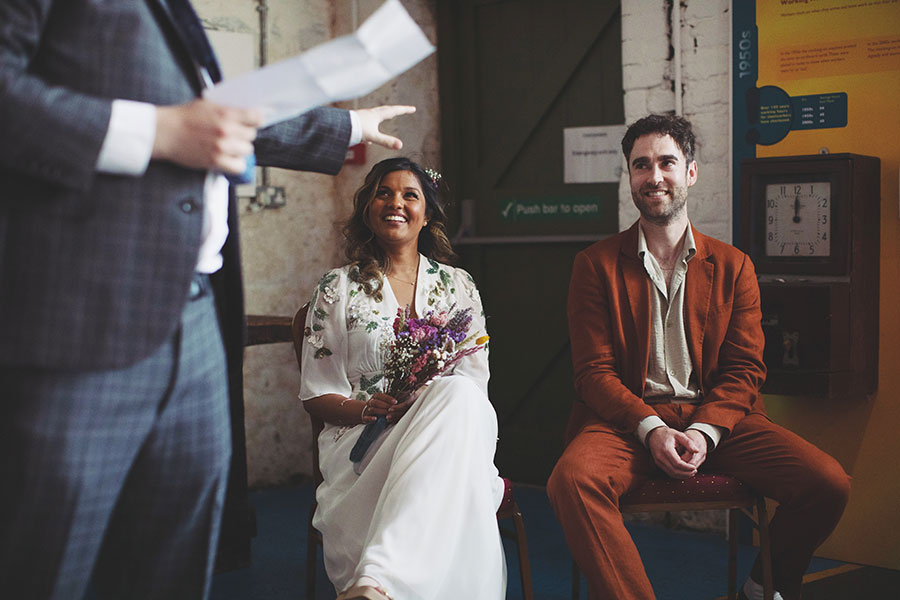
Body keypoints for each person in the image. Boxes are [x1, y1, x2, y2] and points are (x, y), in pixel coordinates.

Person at [0, 2, 416, 598]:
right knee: (47, 559)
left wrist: (347, 127)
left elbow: (213, 113)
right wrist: (157, 134)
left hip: (195, 318)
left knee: (174, 558)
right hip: (80, 313)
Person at [547, 114, 851, 600]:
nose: (654, 176)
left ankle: (764, 585)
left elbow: (746, 369)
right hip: (627, 421)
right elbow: (593, 374)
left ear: (690, 171)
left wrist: (703, 432)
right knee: (571, 480)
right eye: (641, 165)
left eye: (667, 162)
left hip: (719, 420)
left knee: (827, 482)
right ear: (630, 177)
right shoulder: (595, 265)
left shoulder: (734, 266)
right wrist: (652, 428)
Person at [299, 157, 506, 600]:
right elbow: (316, 393)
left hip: (448, 432)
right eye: (383, 193)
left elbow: (475, 388)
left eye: (410, 195)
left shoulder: (459, 286)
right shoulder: (337, 288)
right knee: (454, 399)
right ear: (368, 208)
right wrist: (363, 408)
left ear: (427, 214)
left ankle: (378, 582)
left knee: (456, 395)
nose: (396, 203)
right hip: (363, 445)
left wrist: (424, 401)